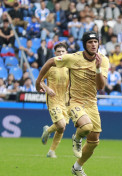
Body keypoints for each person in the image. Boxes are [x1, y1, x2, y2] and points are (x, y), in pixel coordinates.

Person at [35, 31, 109, 176]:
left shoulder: (103, 60)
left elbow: (100, 86)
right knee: (86, 127)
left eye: (95, 42)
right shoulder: (73, 58)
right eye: (90, 42)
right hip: (74, 101)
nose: (93, 45)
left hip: (92, 103)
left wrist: (98, 68)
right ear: (84, 45)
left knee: (94, 141)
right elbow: (51, 61)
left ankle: (77, 168)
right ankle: (76, 137)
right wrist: (38, 81)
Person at [40, 43, 70, 158]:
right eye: (58, 51)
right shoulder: (50, 66)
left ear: (66, 53)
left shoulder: (69, 67)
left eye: (63, 51)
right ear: (55, 53)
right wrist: (47, 89)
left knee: (62, 128)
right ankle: (48, 131)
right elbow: (40, 81)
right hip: (53, 99)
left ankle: (51, 151)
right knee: (61, 125)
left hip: (66, 100)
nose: (61, 53)